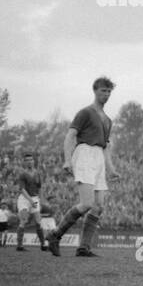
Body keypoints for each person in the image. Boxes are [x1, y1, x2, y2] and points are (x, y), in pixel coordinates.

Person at [47, 77, 119, 258]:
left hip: (98, 158)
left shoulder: (108, 120)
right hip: (85, 153)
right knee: (87, 203)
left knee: (99, 206)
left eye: (109, 91)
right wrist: (67, 159)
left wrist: (111, 168)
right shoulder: (85, 113)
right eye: (103, 90)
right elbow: (70, 136)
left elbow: (106, 147)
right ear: (95, 91)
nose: (106, 94)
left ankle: (83, 248)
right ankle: (55, 236)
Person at [14, 153, 47, 251]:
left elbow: (40, 187)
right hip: (24, 199)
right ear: (24, 162)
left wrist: (40, 199)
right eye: (27, 160)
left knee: (38, 222)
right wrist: (30, 200)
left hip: (35, 198)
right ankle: (20, 246)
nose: (29, 162)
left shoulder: (37, 173)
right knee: (23, 220)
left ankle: (43, 244)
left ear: (33, 161)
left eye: (31, 160)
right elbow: (22, 190)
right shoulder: (22, 174)